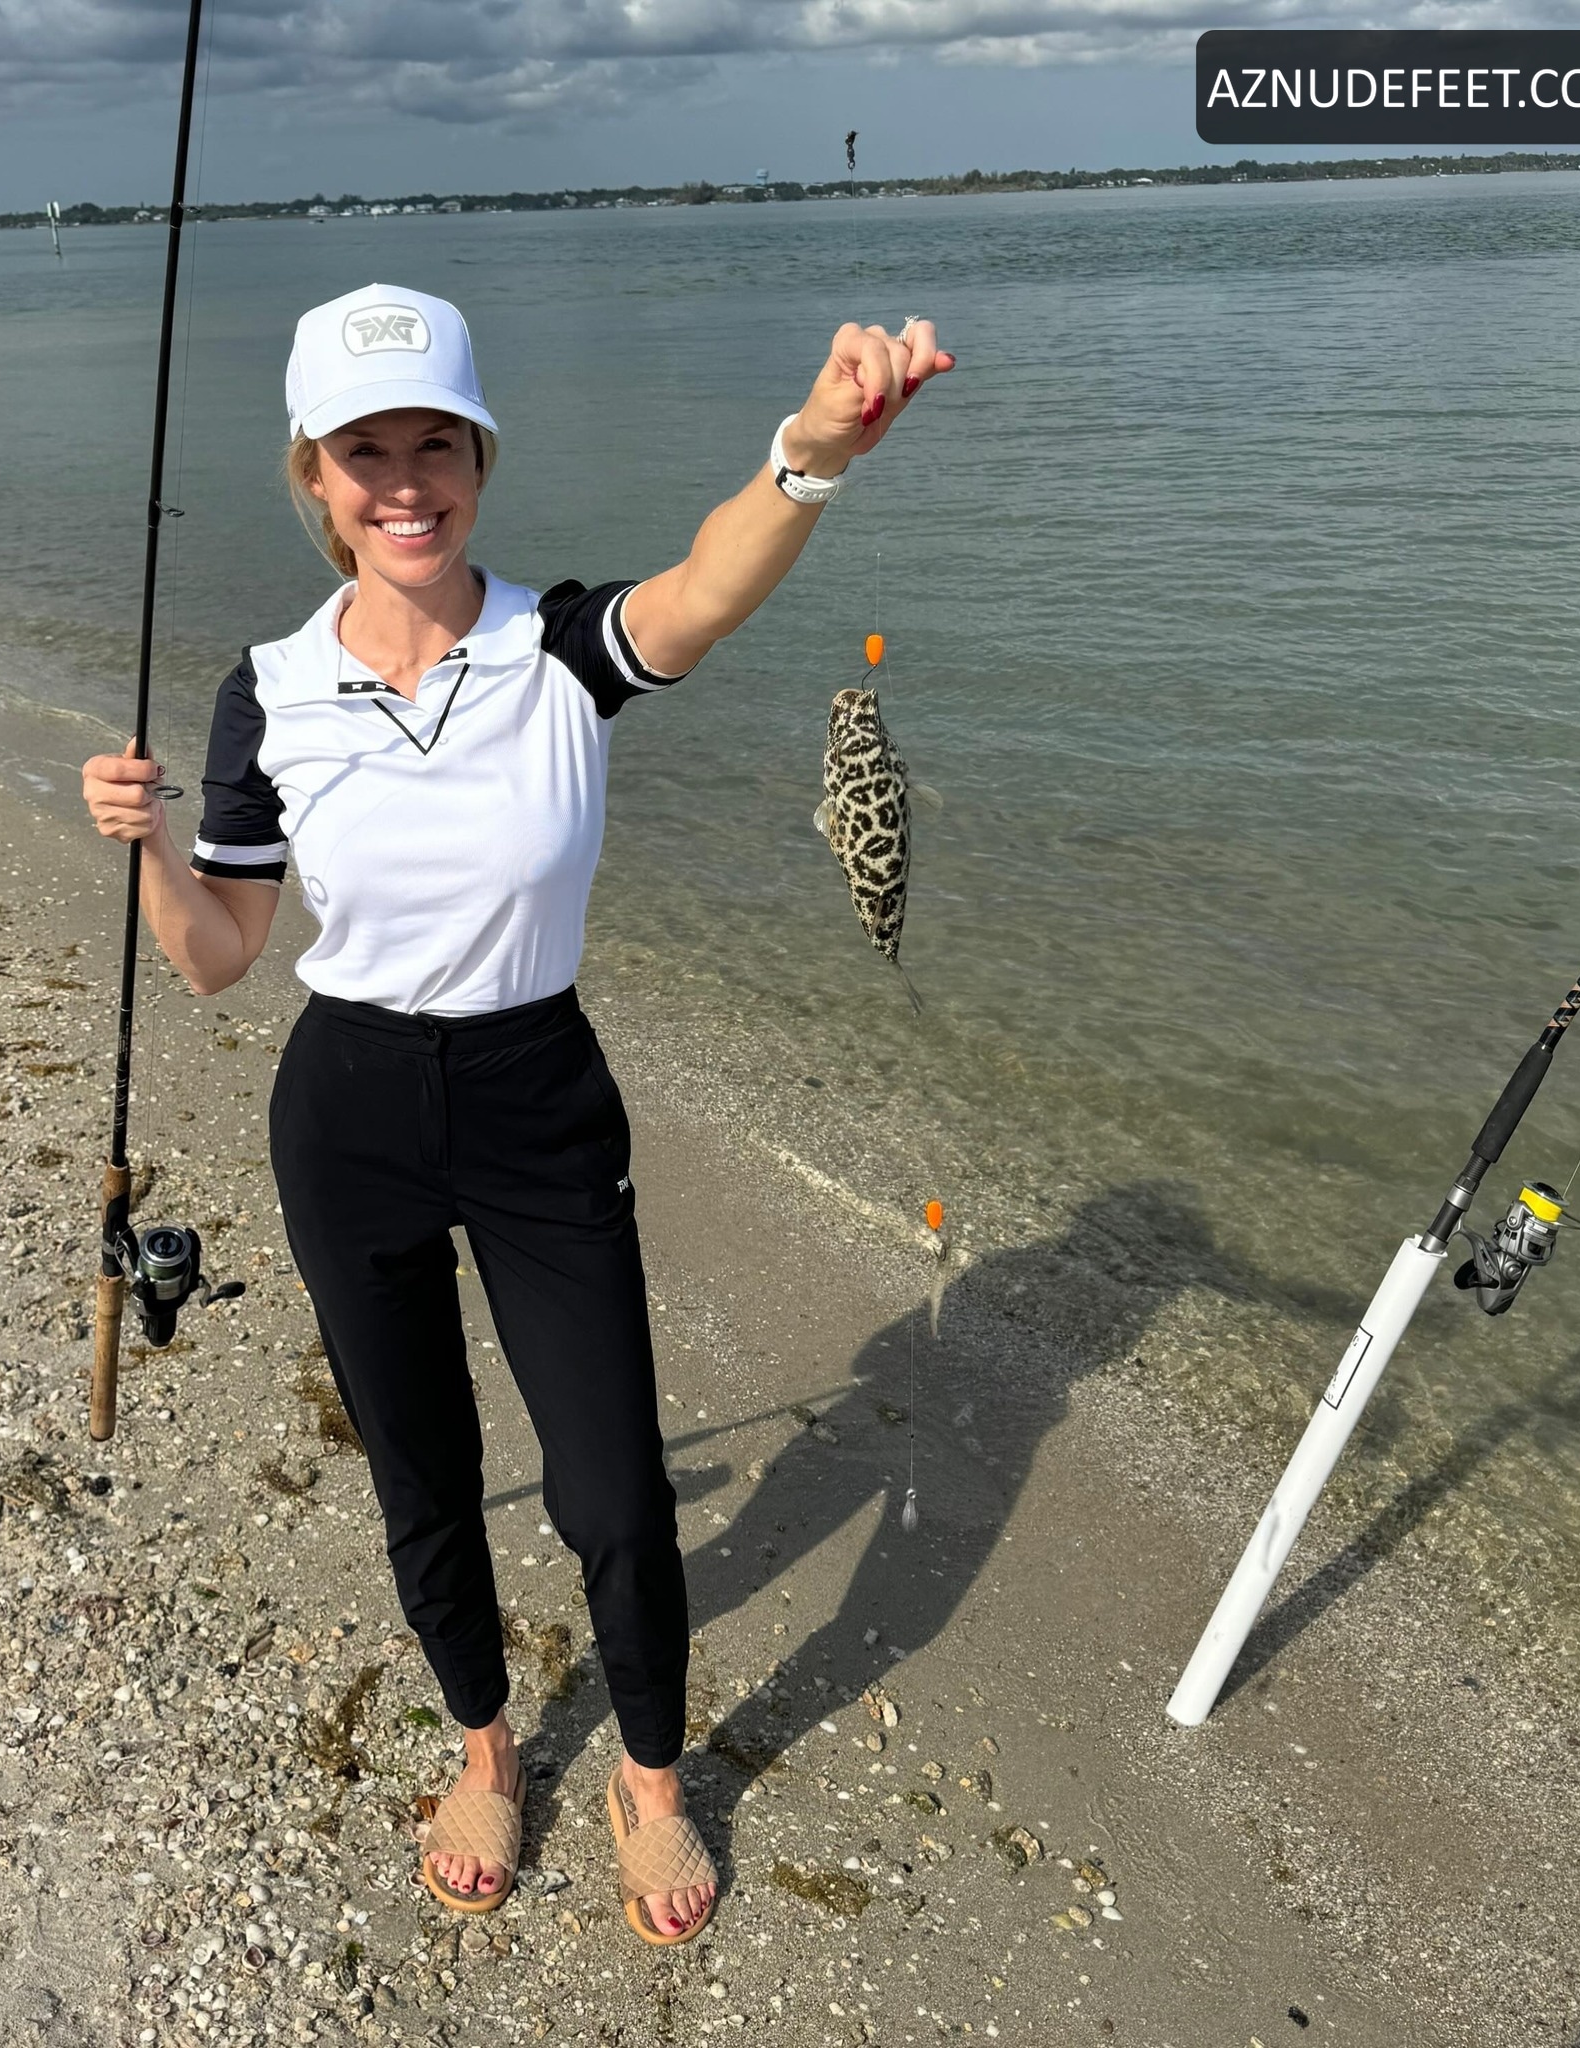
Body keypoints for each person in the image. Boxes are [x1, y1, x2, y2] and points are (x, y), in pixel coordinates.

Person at [83, 280, 952, 1946]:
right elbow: (217, 957)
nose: (404, 483)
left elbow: (704, 588)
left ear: (481, 460)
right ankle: (486, 1747)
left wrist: (810, 455)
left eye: (437, 444)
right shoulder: (266, 690)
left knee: (613, 1488)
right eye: (366, 452)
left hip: (538, 1096)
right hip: (347, 1107)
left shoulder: (553, 645)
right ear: (314, 475)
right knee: (422, 1469)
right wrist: (147, 850)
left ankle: (649, 1775)